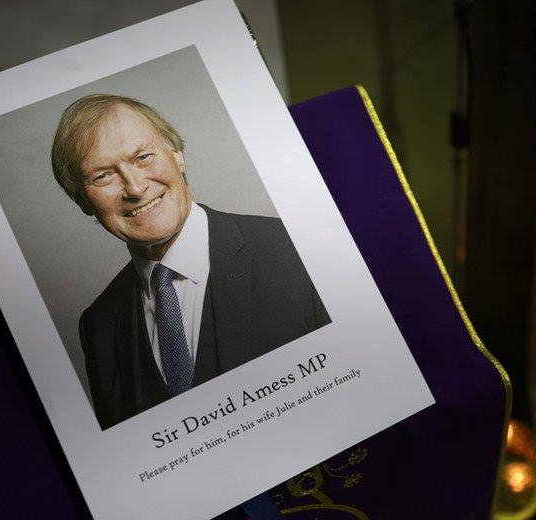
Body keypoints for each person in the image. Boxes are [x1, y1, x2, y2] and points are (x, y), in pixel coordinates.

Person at [51, 94, 329, 429]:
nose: (135, 188)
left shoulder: (297, 246)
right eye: (102, 176)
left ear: (177, 156)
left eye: (142, 157)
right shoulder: (98, 326)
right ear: (83, 201)